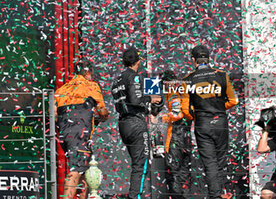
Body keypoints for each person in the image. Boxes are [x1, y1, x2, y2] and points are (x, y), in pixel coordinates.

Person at [181, 45, 239, 199]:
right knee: (220, 160)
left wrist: (197, 116)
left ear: (193, 60)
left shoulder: (187, 79)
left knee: (210, 162)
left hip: (202, 123)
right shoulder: (221, 75)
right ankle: (221, 193)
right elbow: (234, 100)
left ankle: (216, 196)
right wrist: (220, 107)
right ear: (209, 58)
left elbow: (185, 111)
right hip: (220, 120)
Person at [111, 46, 162, 199]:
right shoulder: (134, 76)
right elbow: (135, 100)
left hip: (123, 124)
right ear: (138, 61)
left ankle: (134, 195)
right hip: (135, 123)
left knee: (137, 163)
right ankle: (134, 197)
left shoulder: (117, 79)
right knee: (141, 163)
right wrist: (150, 99)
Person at [55, 60, 110, 199]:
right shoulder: (91, 86)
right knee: (75, 170)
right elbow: (102, 112)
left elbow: (54, 113)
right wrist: (104, 116)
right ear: (88, 72)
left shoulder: (62, 89)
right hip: (80, 133)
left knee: (85, 171)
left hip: (65, 133)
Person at [161, 70, 192, 199]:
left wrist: (161, 118)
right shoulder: (184, 89)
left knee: (173, 172)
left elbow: (176, 113)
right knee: (184, 174)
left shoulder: (172, 91)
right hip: (187, 137)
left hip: (176, 136)